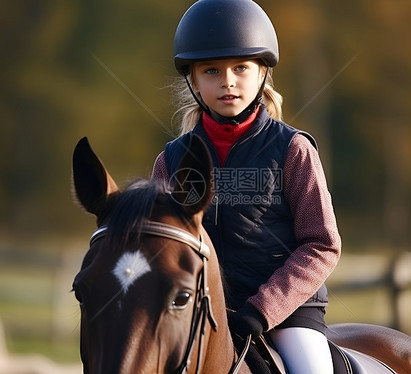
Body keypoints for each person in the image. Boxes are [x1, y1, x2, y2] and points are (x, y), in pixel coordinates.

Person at [152, 1, 341, 373]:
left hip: (288, 317)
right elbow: (158, 248)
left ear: (261, 73)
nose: (228, 81)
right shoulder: (170, 162)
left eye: (240, 67)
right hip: (200, 313)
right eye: (212, 70)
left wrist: (263, 308)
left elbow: (322, 244)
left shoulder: (293, 150)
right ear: (193, 81)